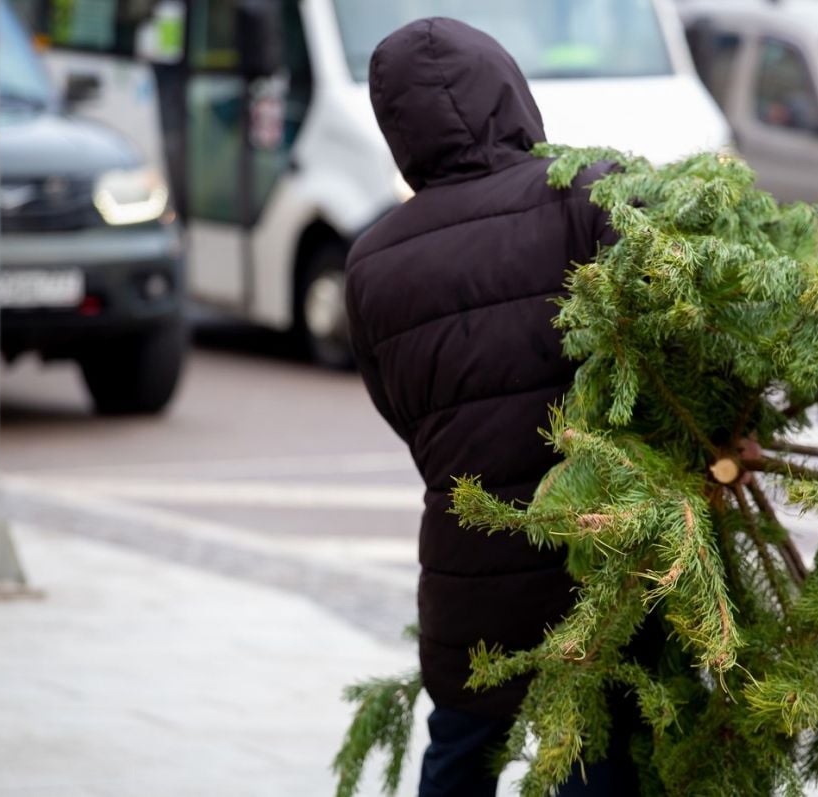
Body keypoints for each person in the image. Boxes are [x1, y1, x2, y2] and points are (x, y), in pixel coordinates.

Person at [344, 16, 633, 797]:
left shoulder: (373, 263)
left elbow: (400, 407)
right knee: (595, 749)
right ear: (509, 88)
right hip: (595, 554)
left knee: (462, 753)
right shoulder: (586, 196)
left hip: (467, 565)